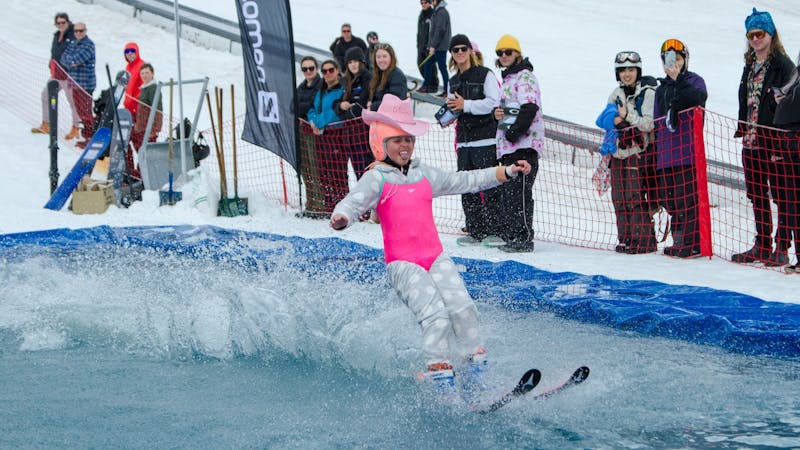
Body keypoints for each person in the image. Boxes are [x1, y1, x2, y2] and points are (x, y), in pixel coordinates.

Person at [329, 94, 531, 403]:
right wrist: (341, 216)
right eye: (396, 140)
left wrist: (505, 172)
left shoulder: (424, 173)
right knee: (436, 317)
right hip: (403, 264)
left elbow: (466, 180)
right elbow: (353, 203)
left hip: (434, 256)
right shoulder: (375, 178)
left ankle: (477, 381)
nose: (405, 146)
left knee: (463, 309)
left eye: (408, 139)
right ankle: (444, 391)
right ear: (381, 143)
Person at [731, 8, 796, 266]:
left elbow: (791, 102)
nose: (756, 39)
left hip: (776, 139)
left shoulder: (784, 65)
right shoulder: (750, 65)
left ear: (771, 34)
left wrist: (786, 136)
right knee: (756, 193)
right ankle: (761, 244)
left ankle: (782, 247)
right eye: (751, 35)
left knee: (782, 194)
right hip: (751, 138)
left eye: (760, 34)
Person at [443, 34, 502, 247]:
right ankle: (475, 230)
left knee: (489, 184)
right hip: (464, 141)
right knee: (466, 186)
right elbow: (454, 108)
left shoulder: (485, 74)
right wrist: (446, 115)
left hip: (485, 139)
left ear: (470, 50)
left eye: (463, 48)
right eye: (455, 49)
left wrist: (465, 104)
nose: (459, 53)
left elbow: (493, 102)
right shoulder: (453, 81)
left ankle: (495, 230)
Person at [654, 39, 708, 258]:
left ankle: (692, 242)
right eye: (669, 60)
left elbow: (697, 99)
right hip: (666, 154)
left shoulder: (694, 82)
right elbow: (658, 118)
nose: (673, 64)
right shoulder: (661, 88)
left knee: (687, 198)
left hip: (687, 152)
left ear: (685, 60)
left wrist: (679, 80)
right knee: (671, 200)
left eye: (677, 59)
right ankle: (679, 239)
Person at [601, 50, 658, 255]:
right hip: (618, 153)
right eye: (623, 70)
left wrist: (627, 116)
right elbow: (605, 118)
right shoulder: (616, 93)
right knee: (619, 197)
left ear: (638, 71)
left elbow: (649, 123)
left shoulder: (648, 92)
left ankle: (643, 240)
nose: (627, 74)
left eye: (631, 69)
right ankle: (625, 238)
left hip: (638, 152)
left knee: (634, 196)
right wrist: (615, 120)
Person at [492, 34, 544, 253]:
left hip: (523, 145)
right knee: (509, 193)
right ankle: (512, 234)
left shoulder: (525, 76)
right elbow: (506, 109)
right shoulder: (508, 79)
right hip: (508, 145)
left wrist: (514, 132)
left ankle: (523, 237)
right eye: (500, 53)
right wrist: (498, 115)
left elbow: (530, 107)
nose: (504, 56)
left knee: (519, 191)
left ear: (517, 54)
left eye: (508, 52)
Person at [307, 60, 347, 216]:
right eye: (324, 71)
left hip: (335, 135)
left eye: (331, 70)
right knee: (323, 170)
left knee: (338, 172)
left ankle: (342, 205)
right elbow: (312, 108)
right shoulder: (321, 91)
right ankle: (329, 205)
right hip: (321, 135)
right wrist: (312, 120)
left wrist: (318, 122)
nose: (328, 73)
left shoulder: (342, 90)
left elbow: (335, 113)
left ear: (337, 71)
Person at [772, 51, 800, 273]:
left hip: (793, 139)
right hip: (787, 141)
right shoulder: (796, 77)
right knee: (792, 203)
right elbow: (782, 104)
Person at [32, 12, 78, 139]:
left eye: (63, 22)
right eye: (58, 23)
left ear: (68, 22)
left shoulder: (73, 36)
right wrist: (51, 61)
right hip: (56, 74)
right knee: (45, 95)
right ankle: (46, 124)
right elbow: (54, 52)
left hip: (68, 76)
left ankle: (76, 128)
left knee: (73, 102)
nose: (61, 25)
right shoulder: (57, 35)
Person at [296, 56, 325, 217]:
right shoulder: (301, 87)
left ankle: (319, 204)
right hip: (301, 130)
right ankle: (311, 202)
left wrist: (303, 108)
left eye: (311, 68)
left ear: (316, 68)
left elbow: (312, 105)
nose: (308, 72)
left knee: (315, 167)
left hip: (313, 132)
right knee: (305, 168)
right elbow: (293, 106)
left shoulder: (320, 85)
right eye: (305, 69)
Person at [338, 47, 373, 179]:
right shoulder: (345, 80)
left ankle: (372, 197)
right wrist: (341, 106)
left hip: (363, 131)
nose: (353, 65)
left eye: (356, 61)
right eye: (350, 62)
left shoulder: (367, 78)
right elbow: (337, 102)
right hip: (350, 133)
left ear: (362, 62)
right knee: (357, 169)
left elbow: (361, 104)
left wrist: (347, 113)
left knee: (366, 168)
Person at [59, 22, 95, 146]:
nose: (78, 33)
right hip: (74, 83)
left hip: (85, 84)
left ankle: (90, 137)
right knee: (80, 111)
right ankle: (86, 137)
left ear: (85, 31)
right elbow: (63, 58)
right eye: (76, 31)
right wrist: (71, 61)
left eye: (81, 31)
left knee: (86, 112)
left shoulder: (89, 45)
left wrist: (71, 61)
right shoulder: (73, 43)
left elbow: (76, 59)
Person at [421, 0, 450, 95]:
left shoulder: (441, 12)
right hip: (437, 46)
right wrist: (430, 45)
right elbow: (434, 30)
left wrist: (433, 46)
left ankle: (447, 91)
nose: (431, 3)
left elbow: (439, 30)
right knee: (428, 65)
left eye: (432, 1)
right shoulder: (437, 11)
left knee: (442, 68)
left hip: (440, 47)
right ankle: (426, 86)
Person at [367, 43, 408, 111]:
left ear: (391, 57)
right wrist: (370, 101)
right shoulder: (377, 74)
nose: (381, 60)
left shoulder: (397, 75)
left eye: (384, 56)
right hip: (379, 115)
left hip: (393, 117)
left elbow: (395, 101)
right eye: (378, 57)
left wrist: (373, 106)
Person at [131, 63, 163, 153]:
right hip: (141, 128)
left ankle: (142, 167)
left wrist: (154, 130)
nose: (144, 75)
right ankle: (133, 166)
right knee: (141, 151)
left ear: (152, 74)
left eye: (147, 73)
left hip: (148, 130)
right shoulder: (145, 88)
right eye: (142, 73)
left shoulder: (153, 88)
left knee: (147, 154)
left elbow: (158, 110)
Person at [416, 0, 438, 92]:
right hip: (421, 45)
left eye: (425, 2)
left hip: (430, 46)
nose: (423, 5)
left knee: (430, 66)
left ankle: (433, 86)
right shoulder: (422, 15)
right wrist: (418, 44)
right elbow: (419, 31)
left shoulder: (433, 14)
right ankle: (427, 83)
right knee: (420, 64)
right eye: (422, 3)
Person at [123, 42, 146, 118]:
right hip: (129, 108)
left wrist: (134, 102)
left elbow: (145, 87)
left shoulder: (142, 66)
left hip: (138, 109)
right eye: (127, 51)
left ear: (137, 52)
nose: (129, 53)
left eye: (132, 50)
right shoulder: (128, 67)